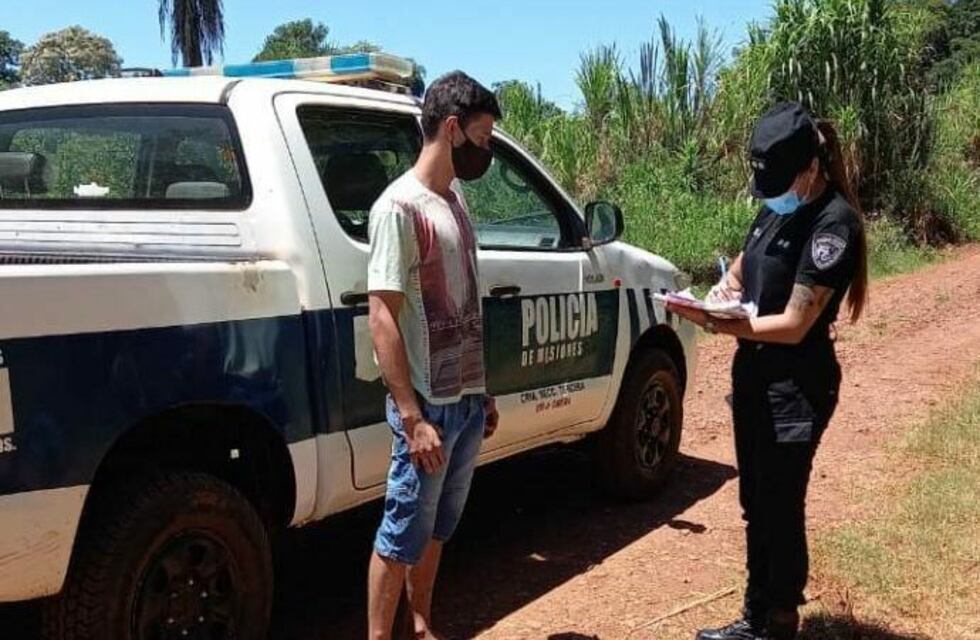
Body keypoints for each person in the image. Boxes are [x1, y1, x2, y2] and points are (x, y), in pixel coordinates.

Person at [667, 102, 868, 640]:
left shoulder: (833, 224)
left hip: (796, 383)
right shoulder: (776, 208)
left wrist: (719, 324)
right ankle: (756, 615)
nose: (770, 194)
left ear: (811, 169)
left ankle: (778, 620)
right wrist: (721, 293)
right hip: (754, 374)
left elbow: (797, 324)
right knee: (755, 500)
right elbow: (742, 267)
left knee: (780, 502)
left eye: (779, 183)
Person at [365, 71, 502, 640]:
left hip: (464, 402)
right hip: (429, 409)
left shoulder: (455, 199)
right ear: (452, 129)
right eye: (482, 136)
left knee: (438, 527)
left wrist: (481, 391)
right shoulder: (399, 207)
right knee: (400, 532)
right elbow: (382, 315)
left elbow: (467, 300)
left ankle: (420, 625)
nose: (486, 149)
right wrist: (412, 416)